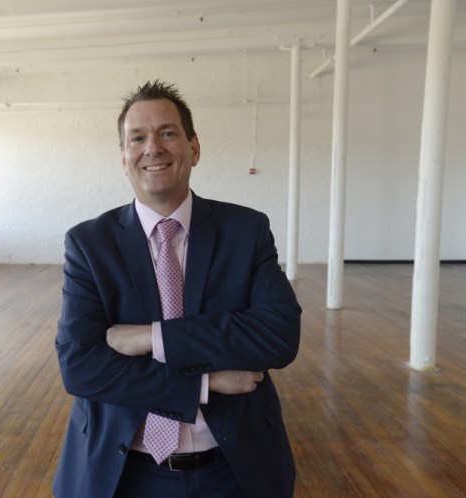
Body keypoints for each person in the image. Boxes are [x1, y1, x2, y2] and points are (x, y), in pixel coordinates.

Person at [53, 80, 301, 498]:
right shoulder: (89, 244)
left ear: (194, 148)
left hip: (234, 470)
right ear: (124, 157)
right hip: (123, 473)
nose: (153, 147)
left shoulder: (246, 230)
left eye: (167, 133)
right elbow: (80, 366)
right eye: (138, 137)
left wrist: (152, 337)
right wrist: (205, 384)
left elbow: (278, 336)